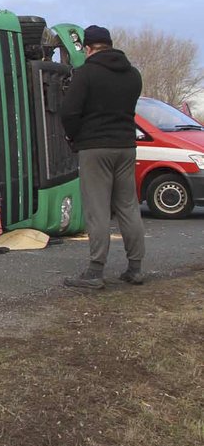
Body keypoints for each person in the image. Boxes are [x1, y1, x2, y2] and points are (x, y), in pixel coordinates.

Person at [60, 25, 145, 289]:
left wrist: (74, 137)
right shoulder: (133, 75)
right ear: (109, 44)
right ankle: (135, 269)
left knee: (97, 210)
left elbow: (69, 112)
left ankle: (95, 271)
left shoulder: (86, 74)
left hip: (95, 148)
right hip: (126, 146)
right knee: (128, 206)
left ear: (88, 48)